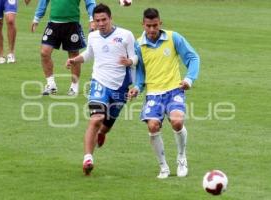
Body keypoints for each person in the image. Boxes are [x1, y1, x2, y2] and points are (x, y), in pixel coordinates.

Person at [128, 8, 200, 179]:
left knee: (177, 121)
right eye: (148, 26)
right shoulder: (138, 45)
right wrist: (137, 88)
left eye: (154, 25)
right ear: (143, 25)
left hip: (174, 89)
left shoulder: (173, 37)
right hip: (153, 94)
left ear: (160, 23)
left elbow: (193, 57)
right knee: (152, 126)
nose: (152, 30)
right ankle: (163, 167)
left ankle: (181, 158)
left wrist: (189, 79)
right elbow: (140, 73)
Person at [66, 3, 137, 175]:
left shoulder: (126, 35)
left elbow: (135, 57)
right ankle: (88, 158)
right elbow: (89, 54)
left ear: (111, 18)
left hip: (120, 86)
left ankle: (102, 133)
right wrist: (75, 59)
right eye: (97, 20)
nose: (101, 23)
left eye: (104, 19)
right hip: (99, 82)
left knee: (105, 126)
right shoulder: (93, 37)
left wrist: (130, 63)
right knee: (96, 119)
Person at [31, 0, 96, 96]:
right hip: (53, 23)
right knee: (44, 52)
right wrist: (37, 18)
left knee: (74, 55)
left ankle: (74, 86)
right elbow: (43, 1)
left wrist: (92, 19)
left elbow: (90, 2)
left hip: (72, 23)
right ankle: (51, 84)